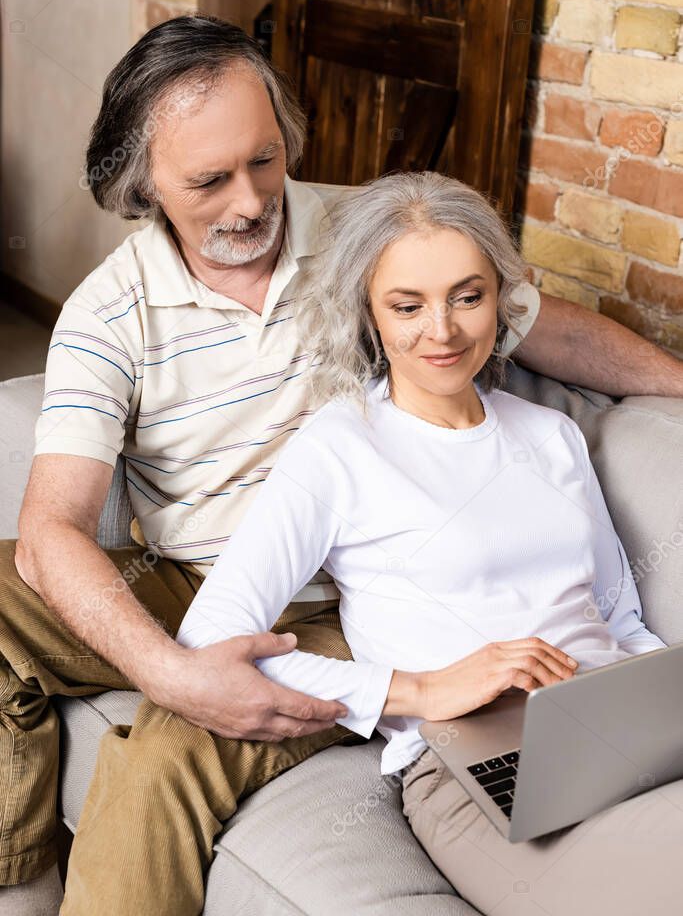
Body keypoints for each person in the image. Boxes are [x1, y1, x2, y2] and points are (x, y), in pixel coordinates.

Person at [1, 15, 681, 916]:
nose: (249, 202)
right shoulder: (108, 314)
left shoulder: (365, 234)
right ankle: (17, 872)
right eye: (208, 180)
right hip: (184, 573)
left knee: (163, 758)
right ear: (142, 183)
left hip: (332, 598)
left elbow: (539, 326)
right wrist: (170, 667)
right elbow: (52, 532)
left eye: (264, 159)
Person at [175, 170, 680, 916]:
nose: (439, 332)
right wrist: (417, 691)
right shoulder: (340, 448)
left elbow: (621, 619)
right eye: (406, 306)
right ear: (369, 314)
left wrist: (661, 699)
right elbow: (209, 639)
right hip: (477, 765)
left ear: (501, 299)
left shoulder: (550, 435)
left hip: (616, 729)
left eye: (466, 297)